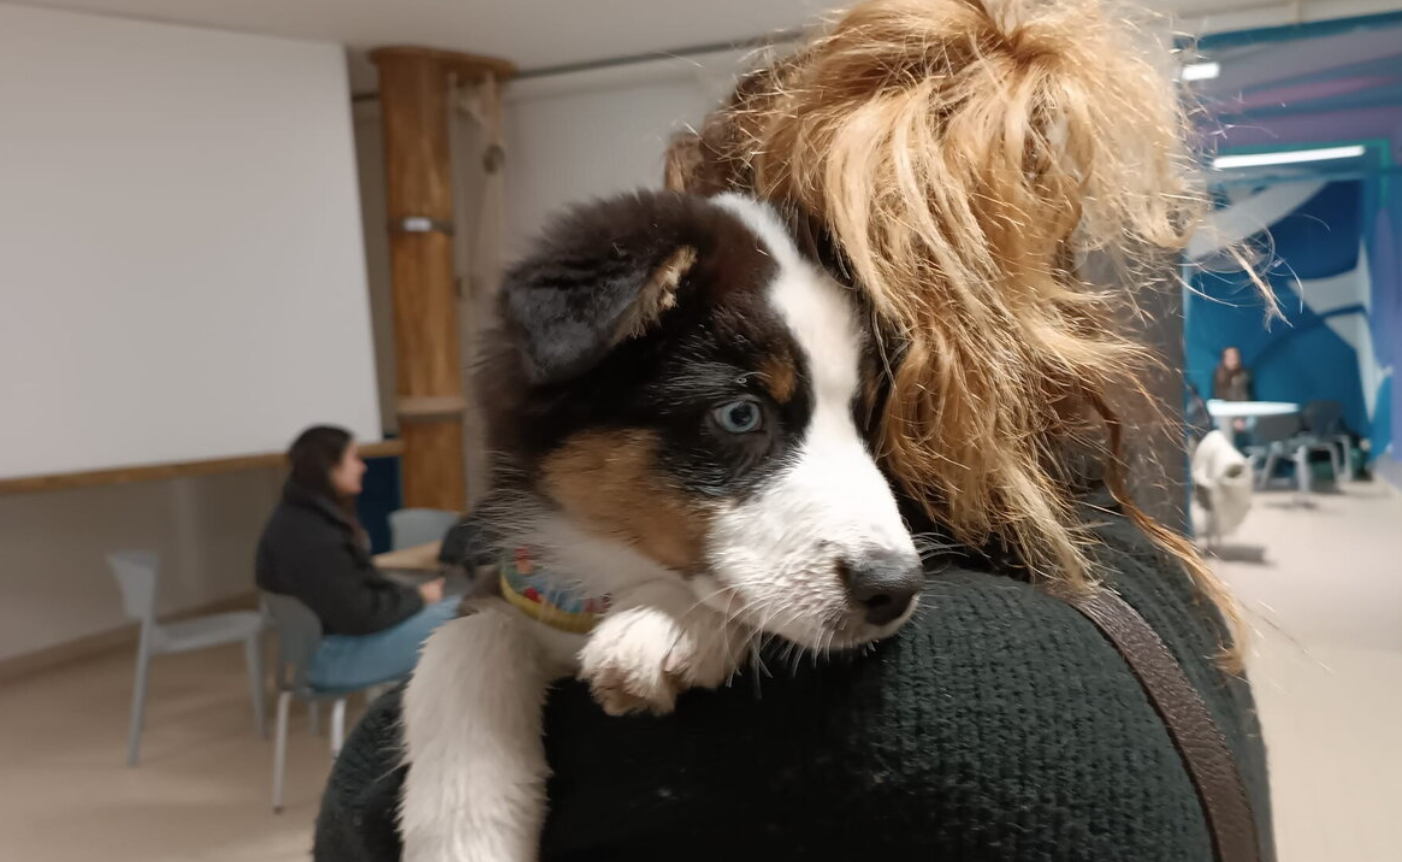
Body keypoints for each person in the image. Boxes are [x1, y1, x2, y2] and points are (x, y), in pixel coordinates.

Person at [317, 2, 1273, 860]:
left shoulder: (875, 727)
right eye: (739, 417)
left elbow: (356, 822)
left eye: (863, 410)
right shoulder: (1149, 569)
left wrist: (702, 606)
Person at [256, 426, 457, 690]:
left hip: (322, 650)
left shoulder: (297, 517)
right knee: (467, 616)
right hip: (335, 659)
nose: (362, 467)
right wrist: (419, 598)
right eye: (354, 458)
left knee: (460, 612)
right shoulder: (314, 536)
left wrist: (414, 598)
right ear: (330, 467)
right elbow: (361, 614)